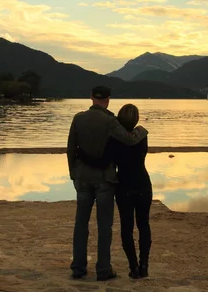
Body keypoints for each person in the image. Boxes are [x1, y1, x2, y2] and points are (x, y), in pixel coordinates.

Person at [67, 86, 148, 281]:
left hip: (83, 178)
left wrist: (73, 173)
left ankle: (78, 267)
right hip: (105, 179)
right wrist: (142, 131)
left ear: (91, 97)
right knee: (104, 225)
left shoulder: (78, 118)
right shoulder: (111, 121)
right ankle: (103, 269)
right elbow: (129, 140)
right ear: (108, 100)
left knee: (81, 223)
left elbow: (70, 148)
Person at [107, 104, 152, 279]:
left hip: (124, 184)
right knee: (144, 224)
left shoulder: (113, 139)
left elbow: (110, 160)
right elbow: (143, 155)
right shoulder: (142, 136)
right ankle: (144, 265)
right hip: (142, 182)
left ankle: (133, 266)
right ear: (136, 119)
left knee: (127, 227)